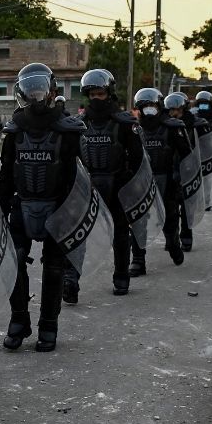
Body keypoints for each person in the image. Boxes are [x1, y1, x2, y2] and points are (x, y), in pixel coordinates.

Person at [0, 63, 87, 353]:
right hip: (22, 205)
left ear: (51, 92)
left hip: (57, 208)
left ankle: (49, 325)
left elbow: (76, 177)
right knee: (15, 261)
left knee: (53, 269)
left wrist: (70, 214)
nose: (36, 96)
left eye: (40, 90)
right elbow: (7, 172)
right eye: (31, 91)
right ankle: (18, 320)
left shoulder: (69, 130)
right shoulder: (14, 130)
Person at [67, 68, 143, 298]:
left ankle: (121, 276)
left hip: (117, 185)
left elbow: (138, 160)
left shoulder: (124, 123)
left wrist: (129, 186)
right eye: (92, 95)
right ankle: (70, 280)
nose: (96, 99)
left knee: (120, 234)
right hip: (87, 187)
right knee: (77, 234)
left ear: (109, 93)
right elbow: (70, 158)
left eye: (100, 94)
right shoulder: (78, 125)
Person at [135, 88, 189, 267]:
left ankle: (173, 244)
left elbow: (186, 155)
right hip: (142, 180)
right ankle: (138, 259)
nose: (148, 109)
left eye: (152, 105)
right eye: (144, 106)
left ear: (159, 106)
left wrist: (180, 174)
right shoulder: (134, 129)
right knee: (138, 220)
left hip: (167, 178)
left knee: (170, 217)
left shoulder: (172, 127)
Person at [166, 91, 208, 252]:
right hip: (170, 170)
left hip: (189, 171)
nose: (173, 113)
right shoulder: (166, 125)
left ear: (183, 109)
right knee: (171, 210)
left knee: (186, 207)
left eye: (176, 110)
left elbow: (203, 145)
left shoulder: (194, 124)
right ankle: (173, 238)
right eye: (170, 110)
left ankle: (186, 237)